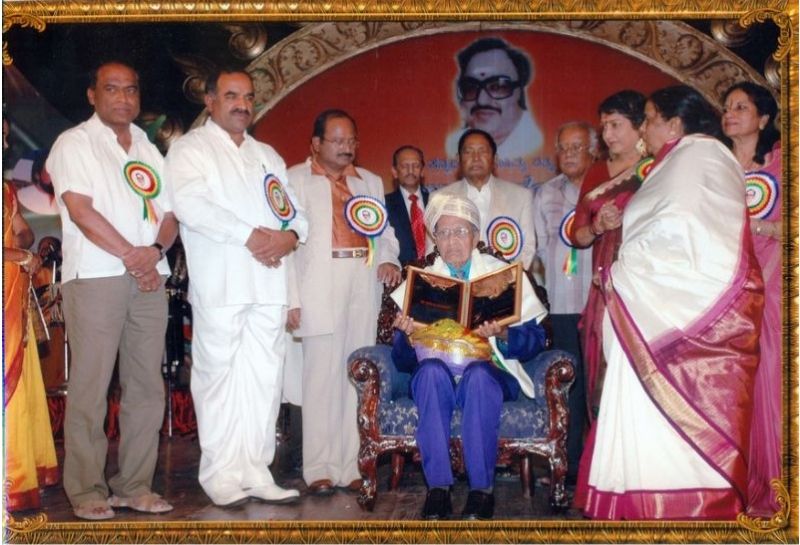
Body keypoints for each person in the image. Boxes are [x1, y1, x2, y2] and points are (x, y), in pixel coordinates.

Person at [583, 85, 763, 520]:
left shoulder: (700, 157)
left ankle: (690, 511)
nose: (644, 128)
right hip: (650, 312)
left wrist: (623, 274)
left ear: (675, 124)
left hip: (687, 323)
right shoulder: (675, 163)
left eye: (649, 119)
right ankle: (644, 506)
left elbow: (681, 235)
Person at [165, 68, 307, 506]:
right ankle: (221, 475)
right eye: (231, 96)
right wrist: (251, 236)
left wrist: (290, 236)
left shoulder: (267, 154)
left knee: (265, 379)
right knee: (219, 379)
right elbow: (190, 205)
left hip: (268, 283)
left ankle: (256, 470)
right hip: (222, 283)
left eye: (248, 97)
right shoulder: (190, 149)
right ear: (210, 101)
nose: (242, 104)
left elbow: (294, 212)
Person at [45, 61, 177, 520]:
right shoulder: (74, 143)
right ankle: (86, 490)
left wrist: (154, 252)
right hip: (97, 276)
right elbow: (80, 210)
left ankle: (135, 486)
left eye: (131, 89)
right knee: (92, 385)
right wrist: (133, 256)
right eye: (112, 89)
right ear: (92, 95)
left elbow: (170, 214)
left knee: (146, 386)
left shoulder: (147, 146)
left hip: (150, 275)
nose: (123, 97)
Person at [389, 194, 548, 520]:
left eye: (460, 232)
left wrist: (503, 335)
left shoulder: (503, 276)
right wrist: (405, 335)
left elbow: (536, 342)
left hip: (490, 372)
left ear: (476, 237)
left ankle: (480, 491)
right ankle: (438, 489)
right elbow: (402, 362)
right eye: (444, 233)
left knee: (477, 374)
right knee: (430, 372)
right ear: (435, 239)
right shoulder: (421, 283)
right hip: (437, 375)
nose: (452, 241)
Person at [286, 109, 401, 496]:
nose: (346, 147)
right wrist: (291, 299)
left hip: (362, 281)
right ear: (315, 144)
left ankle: (352, 464)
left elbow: (385, 232)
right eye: (337, 141)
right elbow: (286, 245)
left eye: (351, 141)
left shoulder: (369, 181)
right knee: (320, 378)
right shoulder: (294, 179)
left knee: (357, 374)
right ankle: (319, 468)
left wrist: (388, 258)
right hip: (318, 283)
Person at [721, 81, 782, 517]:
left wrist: (755, 226)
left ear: (763, 118)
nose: (730, 113)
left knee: (768, 383)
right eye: (727, 107)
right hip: (725, 287)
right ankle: (737, 486)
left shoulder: (782, 165)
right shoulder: (716, 165)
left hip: (772, 286)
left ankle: (775, 485)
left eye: (741, 107)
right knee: (731, 389)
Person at [532, 121, 596, 485]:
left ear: (593, 150)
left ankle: (599, 467)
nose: (569, 154)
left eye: (577, 147)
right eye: (563, 148)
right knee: (567, 386)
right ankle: (567, 466)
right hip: (562, 305)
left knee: (599, 386)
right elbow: (541, 248)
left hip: (600, 303)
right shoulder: (545, 193)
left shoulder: (605, 188)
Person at [3, 118, 59, 512]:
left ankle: (20, 474)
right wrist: (15, 254)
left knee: (19, 378)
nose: (5, 143)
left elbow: (21, 230)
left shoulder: (6, 189)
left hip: (11, 293)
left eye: (6, 135)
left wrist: (24, 243)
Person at [436, 128, 536, 270]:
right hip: (455, 280)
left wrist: (505, 279)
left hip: (505, 280)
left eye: (482, 151)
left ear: (495, 159)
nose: (476, 158)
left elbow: (527, 249)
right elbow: (433, 251)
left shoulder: (521, 196)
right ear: (458, 159)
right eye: (468, 152)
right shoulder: (440, 199)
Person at [445, 37, 543, 162]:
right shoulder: (453, 145)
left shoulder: (535, 143)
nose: (482, 101)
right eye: (470, 88)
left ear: (520, 92)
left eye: (497, 87)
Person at [385, 145, 431, 266]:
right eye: (404, 166)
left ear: (422, 171)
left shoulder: (435, 201)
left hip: (435, 272)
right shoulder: (384, 204)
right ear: (395, 172)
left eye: (416, 166)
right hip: (400, 273)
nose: (410, 171)